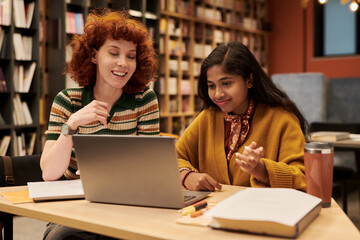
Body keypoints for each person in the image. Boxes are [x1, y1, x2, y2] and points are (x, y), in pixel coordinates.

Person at [40, 9, 159, 240]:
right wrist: (72, 124)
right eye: (113, 53)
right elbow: (50, 173)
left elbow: (151, 169)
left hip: (127, 204)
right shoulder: (67, 100)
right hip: (76, 206)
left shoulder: (144, 100)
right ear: (94, 55)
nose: (122, 63)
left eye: (131, 56)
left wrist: (107, 172)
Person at [177, 41, 307, 192]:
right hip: (210, 212)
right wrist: (186, 175)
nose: (218, 94)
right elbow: (171, 158)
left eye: (226, 83)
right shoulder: (208, 117)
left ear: (249, 80)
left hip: (263, 212)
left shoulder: (283, 119)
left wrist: (262, 170)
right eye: (211, 86)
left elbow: (303, 178)